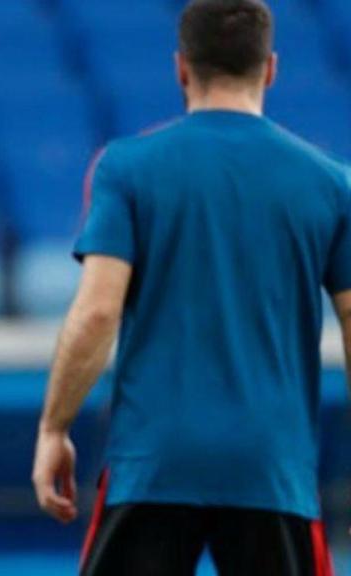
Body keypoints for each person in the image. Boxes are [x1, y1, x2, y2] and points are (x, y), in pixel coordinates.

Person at [31, 1, 351, 574]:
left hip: (153, 463)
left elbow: (98, 312)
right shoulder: (331, 184)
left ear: (181, 68)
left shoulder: (126, 168)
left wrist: (55, 426)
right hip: (272, 469)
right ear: (270, 68)